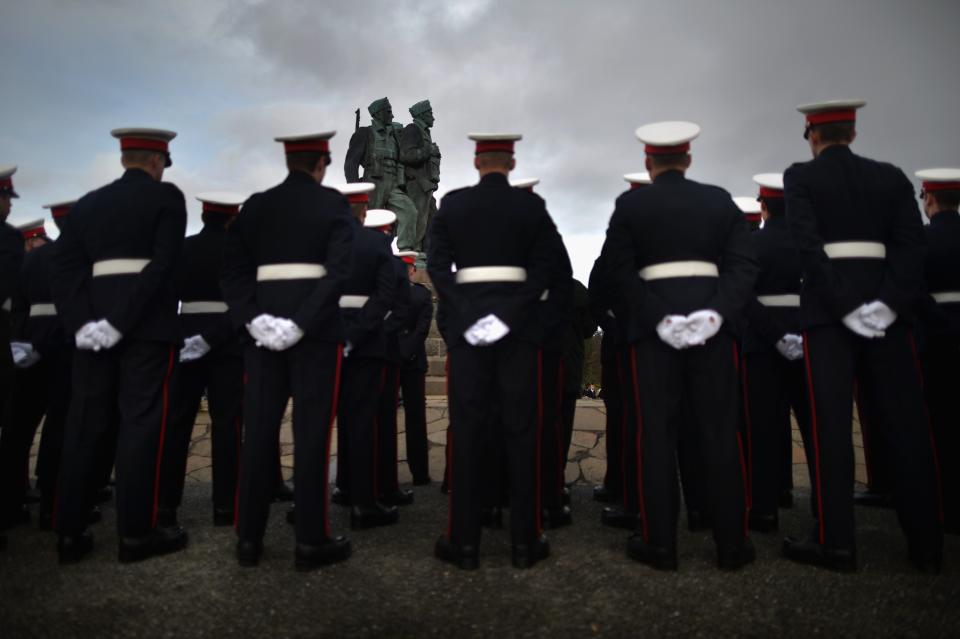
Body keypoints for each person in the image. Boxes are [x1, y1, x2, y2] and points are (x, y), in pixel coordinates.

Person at [781, 100, 942, 572]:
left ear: (812, 134)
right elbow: (912, 247)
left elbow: (807, 248)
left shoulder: (801, 177)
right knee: (908, 428)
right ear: (853, 133)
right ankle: (927, 544)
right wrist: (885, 304)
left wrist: (846, 307)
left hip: (830, 318)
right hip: (887, 316)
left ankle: (836, 542)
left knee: (830, 428)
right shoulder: (892, 178)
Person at [599, 120, 757, 571]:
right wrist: (715, 313)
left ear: (648, 163)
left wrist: (657, 318)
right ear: (687, 160)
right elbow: (744, 265)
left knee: (655, 437)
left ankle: (659, 542)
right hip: (713, 332)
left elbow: (617, 272)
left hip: (652, 337)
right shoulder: (719, 201)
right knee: (721, 435)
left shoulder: (630, 205)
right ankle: (732, 543)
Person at [428, 133, 567, 570]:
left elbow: (436, 267)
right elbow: (547, 268)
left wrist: (471, 315)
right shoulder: (532, 207)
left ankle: (464, 542)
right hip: (519, 333)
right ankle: (525, 541)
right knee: (522, 432)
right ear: (510, 162)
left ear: (476, 161)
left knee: (468, 432)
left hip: (470, 333)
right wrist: (507, 314)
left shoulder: (452, 204)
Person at [51, 128, 188, 564]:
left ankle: (69, 532)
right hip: (145, 329)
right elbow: (164, 265)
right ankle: (135, 533)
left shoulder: (87, 205)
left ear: (124, 158)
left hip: (92, 332)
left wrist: (84, 324)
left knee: (84, 425)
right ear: (155, 161)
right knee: (140, 425)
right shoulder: (167, 199)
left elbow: (65, 271)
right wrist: (119, 322)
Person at [221, 131, 353, 570]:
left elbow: (233, 270)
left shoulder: (256, 206)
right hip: (314, 337)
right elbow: (338, 273)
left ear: (288, 160)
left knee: (257, 434)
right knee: (312, 435)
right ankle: (311, 540)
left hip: (262, 335)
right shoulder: (334, 205)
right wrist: (301, 322)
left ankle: (248, 538)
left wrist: (255, 319)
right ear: (323, 163)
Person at [157, 192, 246, 529]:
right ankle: (225, 505)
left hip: (186, 337)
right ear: (232, 218)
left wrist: (183, 334)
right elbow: (242, 300)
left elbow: (167, 295)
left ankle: (166, 504)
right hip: (228, 341)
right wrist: (215, 335)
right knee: (227, 424)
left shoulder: (183, 247)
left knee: (178, 423)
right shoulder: (239, 250)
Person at [739, 173, 812, 532]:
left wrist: (775, 335)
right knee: (817, 432)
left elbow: (744, 297)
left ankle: (764, 509)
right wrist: (800, 333)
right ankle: (826, 511)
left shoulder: (751, 245)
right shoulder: (811, 244)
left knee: (763, 429)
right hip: (810, 341)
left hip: (763, 346)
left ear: (763, 206)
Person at [0, 208, 79, 533]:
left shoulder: (30, 258)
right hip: (63, 342)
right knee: (59, 426)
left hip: (30, 342)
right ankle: (52, 506)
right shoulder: (77, 258)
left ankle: (9, 503)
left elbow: (16, 302)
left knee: (18, 428)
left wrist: (20, 340)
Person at [914, 167, 960, 534]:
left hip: (936, 337)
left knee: (940, 424)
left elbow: (913, 289)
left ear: (928, 199)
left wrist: (938, 321)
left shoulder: (921, 241)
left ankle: (947, 508)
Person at [345, 98, 419, 253]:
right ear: (378, 114)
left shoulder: (395, 136)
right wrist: (356, 191)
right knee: (371, 221)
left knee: (409, 211)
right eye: (389, 112)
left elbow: (403, 159)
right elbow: (351, 163)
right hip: (373, 183)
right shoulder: (365, 133)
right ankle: (366, 253)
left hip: (393, 184)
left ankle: (406, 255)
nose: (392, 116)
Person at [396, 250, 433, 485]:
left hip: (391, 360)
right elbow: (421, 330)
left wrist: (398, 352)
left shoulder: (386, 293)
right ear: (412, 269)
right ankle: (420, 473)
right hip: (413, 361)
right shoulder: (422, 295)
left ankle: (385, 473)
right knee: (416, 419)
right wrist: (407, 351)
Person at [400, 100, 441, 257]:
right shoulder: (413, 129)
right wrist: (428, 150)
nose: (433, 117)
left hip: (426, 185)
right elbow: (406, 155)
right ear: (422, 115)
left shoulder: (424, 132)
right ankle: (413, 256)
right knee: (418, 222)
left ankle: (425, 255)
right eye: (430, 113)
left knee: (432, 221)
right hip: (416, 184)